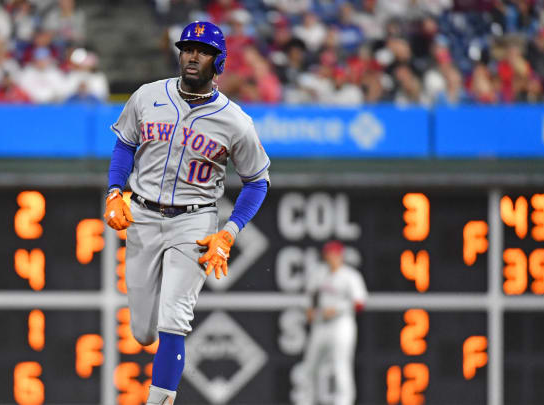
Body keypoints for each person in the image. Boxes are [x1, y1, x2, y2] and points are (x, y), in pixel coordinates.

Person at [102, 21, 270, 405]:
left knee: (174, 317)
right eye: (188, 48)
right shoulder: (147, 96)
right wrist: (115, 191)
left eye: (203, 50)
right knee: (143, 332)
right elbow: (124, 145)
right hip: (142, 214)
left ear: (219, 61)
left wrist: (229, 233)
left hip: (194, 220)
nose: (193, 55)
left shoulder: (236, 122)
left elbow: (257, 182)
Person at [300, 240, 367, 405]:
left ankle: (344, 402)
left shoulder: (350, 276)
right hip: (321, 324)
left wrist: (337, 309)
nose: (332, 257)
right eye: (329, 254)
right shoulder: (319, 273)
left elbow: (359, 303)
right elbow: (311, 295)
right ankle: (305, 401)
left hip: (342, 324)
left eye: (335, 254)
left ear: (341, 256)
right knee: (309, 367)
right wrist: (309, 308)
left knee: (341, 366)